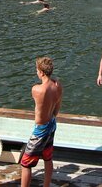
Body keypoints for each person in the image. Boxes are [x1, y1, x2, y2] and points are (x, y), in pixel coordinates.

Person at [20, 57, 63, 187]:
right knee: (47, 157)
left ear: (42, 72)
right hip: (52, 124)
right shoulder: (58, 86)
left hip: (40, 130)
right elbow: (56, 111)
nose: (36, 72)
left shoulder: (37, 89)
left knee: (26, 163)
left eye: (37, 70)